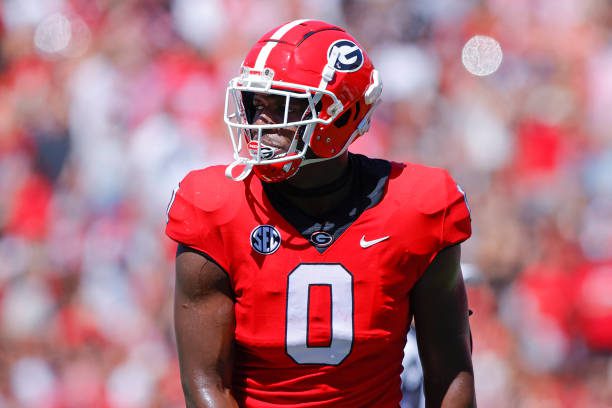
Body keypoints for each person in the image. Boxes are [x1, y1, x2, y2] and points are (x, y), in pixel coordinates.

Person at [165, 19, 475, 407]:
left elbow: (450, 370)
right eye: (257, 105)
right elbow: (205, 383)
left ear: (341, 114)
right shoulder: (216, 206)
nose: (262, 123)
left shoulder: (419, 208)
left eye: (283, 106)